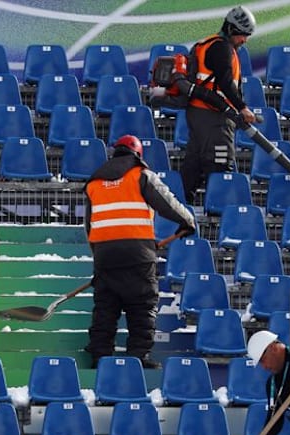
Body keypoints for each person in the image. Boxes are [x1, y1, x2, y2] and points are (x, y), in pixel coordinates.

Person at [83, 135, 195, 369]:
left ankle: (100, 355)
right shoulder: (140, 175)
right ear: (137, 155)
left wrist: (99, 256)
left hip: (105, 255)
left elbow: (89, 225)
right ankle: (138, 355)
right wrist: (187, 220)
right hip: (137, 255)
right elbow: (167, 202)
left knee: (106, 306)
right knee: (142, 304)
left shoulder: (94, 183)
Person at [179, 5, 257, 203]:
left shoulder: (207, 44)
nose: (244, 40)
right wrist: (242, 107)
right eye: (242, 35)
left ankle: (182, 205)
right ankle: (221, 211)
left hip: (198, 113)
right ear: (231, 29)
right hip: (214, 116)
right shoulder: (221, 48)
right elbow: (224, 82)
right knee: (221, 164)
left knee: (194, 162)